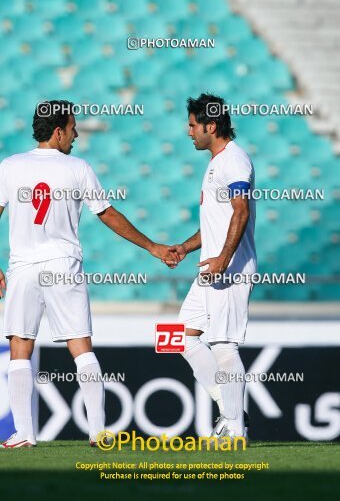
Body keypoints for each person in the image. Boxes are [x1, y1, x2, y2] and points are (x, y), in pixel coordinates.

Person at [0, 100, 178, 449]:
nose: (77, 134)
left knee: (20, 347)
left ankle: (23, 434)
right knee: (81, 347)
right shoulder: (77, 168)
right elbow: (107, 214)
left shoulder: (9, 166)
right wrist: (152, 246)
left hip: (22, 267)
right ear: (57, 131)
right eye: (72, 128)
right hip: (63, 265)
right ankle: (98, 432)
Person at [164, 93, 256, 440]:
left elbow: (240, 211)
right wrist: (186, 247)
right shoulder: (216, 162)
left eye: (192, 125)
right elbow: (218, 223)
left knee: (223, 345)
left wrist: (224, 259)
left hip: (230, 270)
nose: (189, 132)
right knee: (182, 338)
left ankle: (234, 429)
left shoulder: (234, 160)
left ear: (210, 125)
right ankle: (231, 411)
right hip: (212, 267)